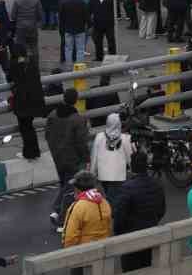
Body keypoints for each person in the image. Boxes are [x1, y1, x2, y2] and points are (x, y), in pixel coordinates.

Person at [113, 150, 167, 270]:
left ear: (132, 167)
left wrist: (119, 234)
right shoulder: (157, 184)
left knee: (130, 273)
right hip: (150, 233)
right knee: (147, 268)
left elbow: (118, 218)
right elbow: (162, 210)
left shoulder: (126, 188)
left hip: (130, 238)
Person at [46, 88, 92, 226]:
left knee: (64, 184)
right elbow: (81, 142)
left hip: (57, 157)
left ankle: (58, 210)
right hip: (73, 159)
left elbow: (47, 135)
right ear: (76, 100)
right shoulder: (78, 119)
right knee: (69, 187)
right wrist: (86, 158)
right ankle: (58, 211)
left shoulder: (53, 115)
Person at [90, 112, 135, 204]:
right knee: (115, 197)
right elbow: (130, 157)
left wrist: (92, 172)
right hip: (119, 174)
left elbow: (94, 156)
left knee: (108, 194)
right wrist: (133, 170)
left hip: (103, 175)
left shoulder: (99, 137)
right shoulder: (126, 138)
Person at [61, 170, 113, 248]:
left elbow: (70, 236)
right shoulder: (104, 202)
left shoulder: (77, 206)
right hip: (104, 247)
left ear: (77, 189)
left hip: (84, 250)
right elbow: (109, 227)